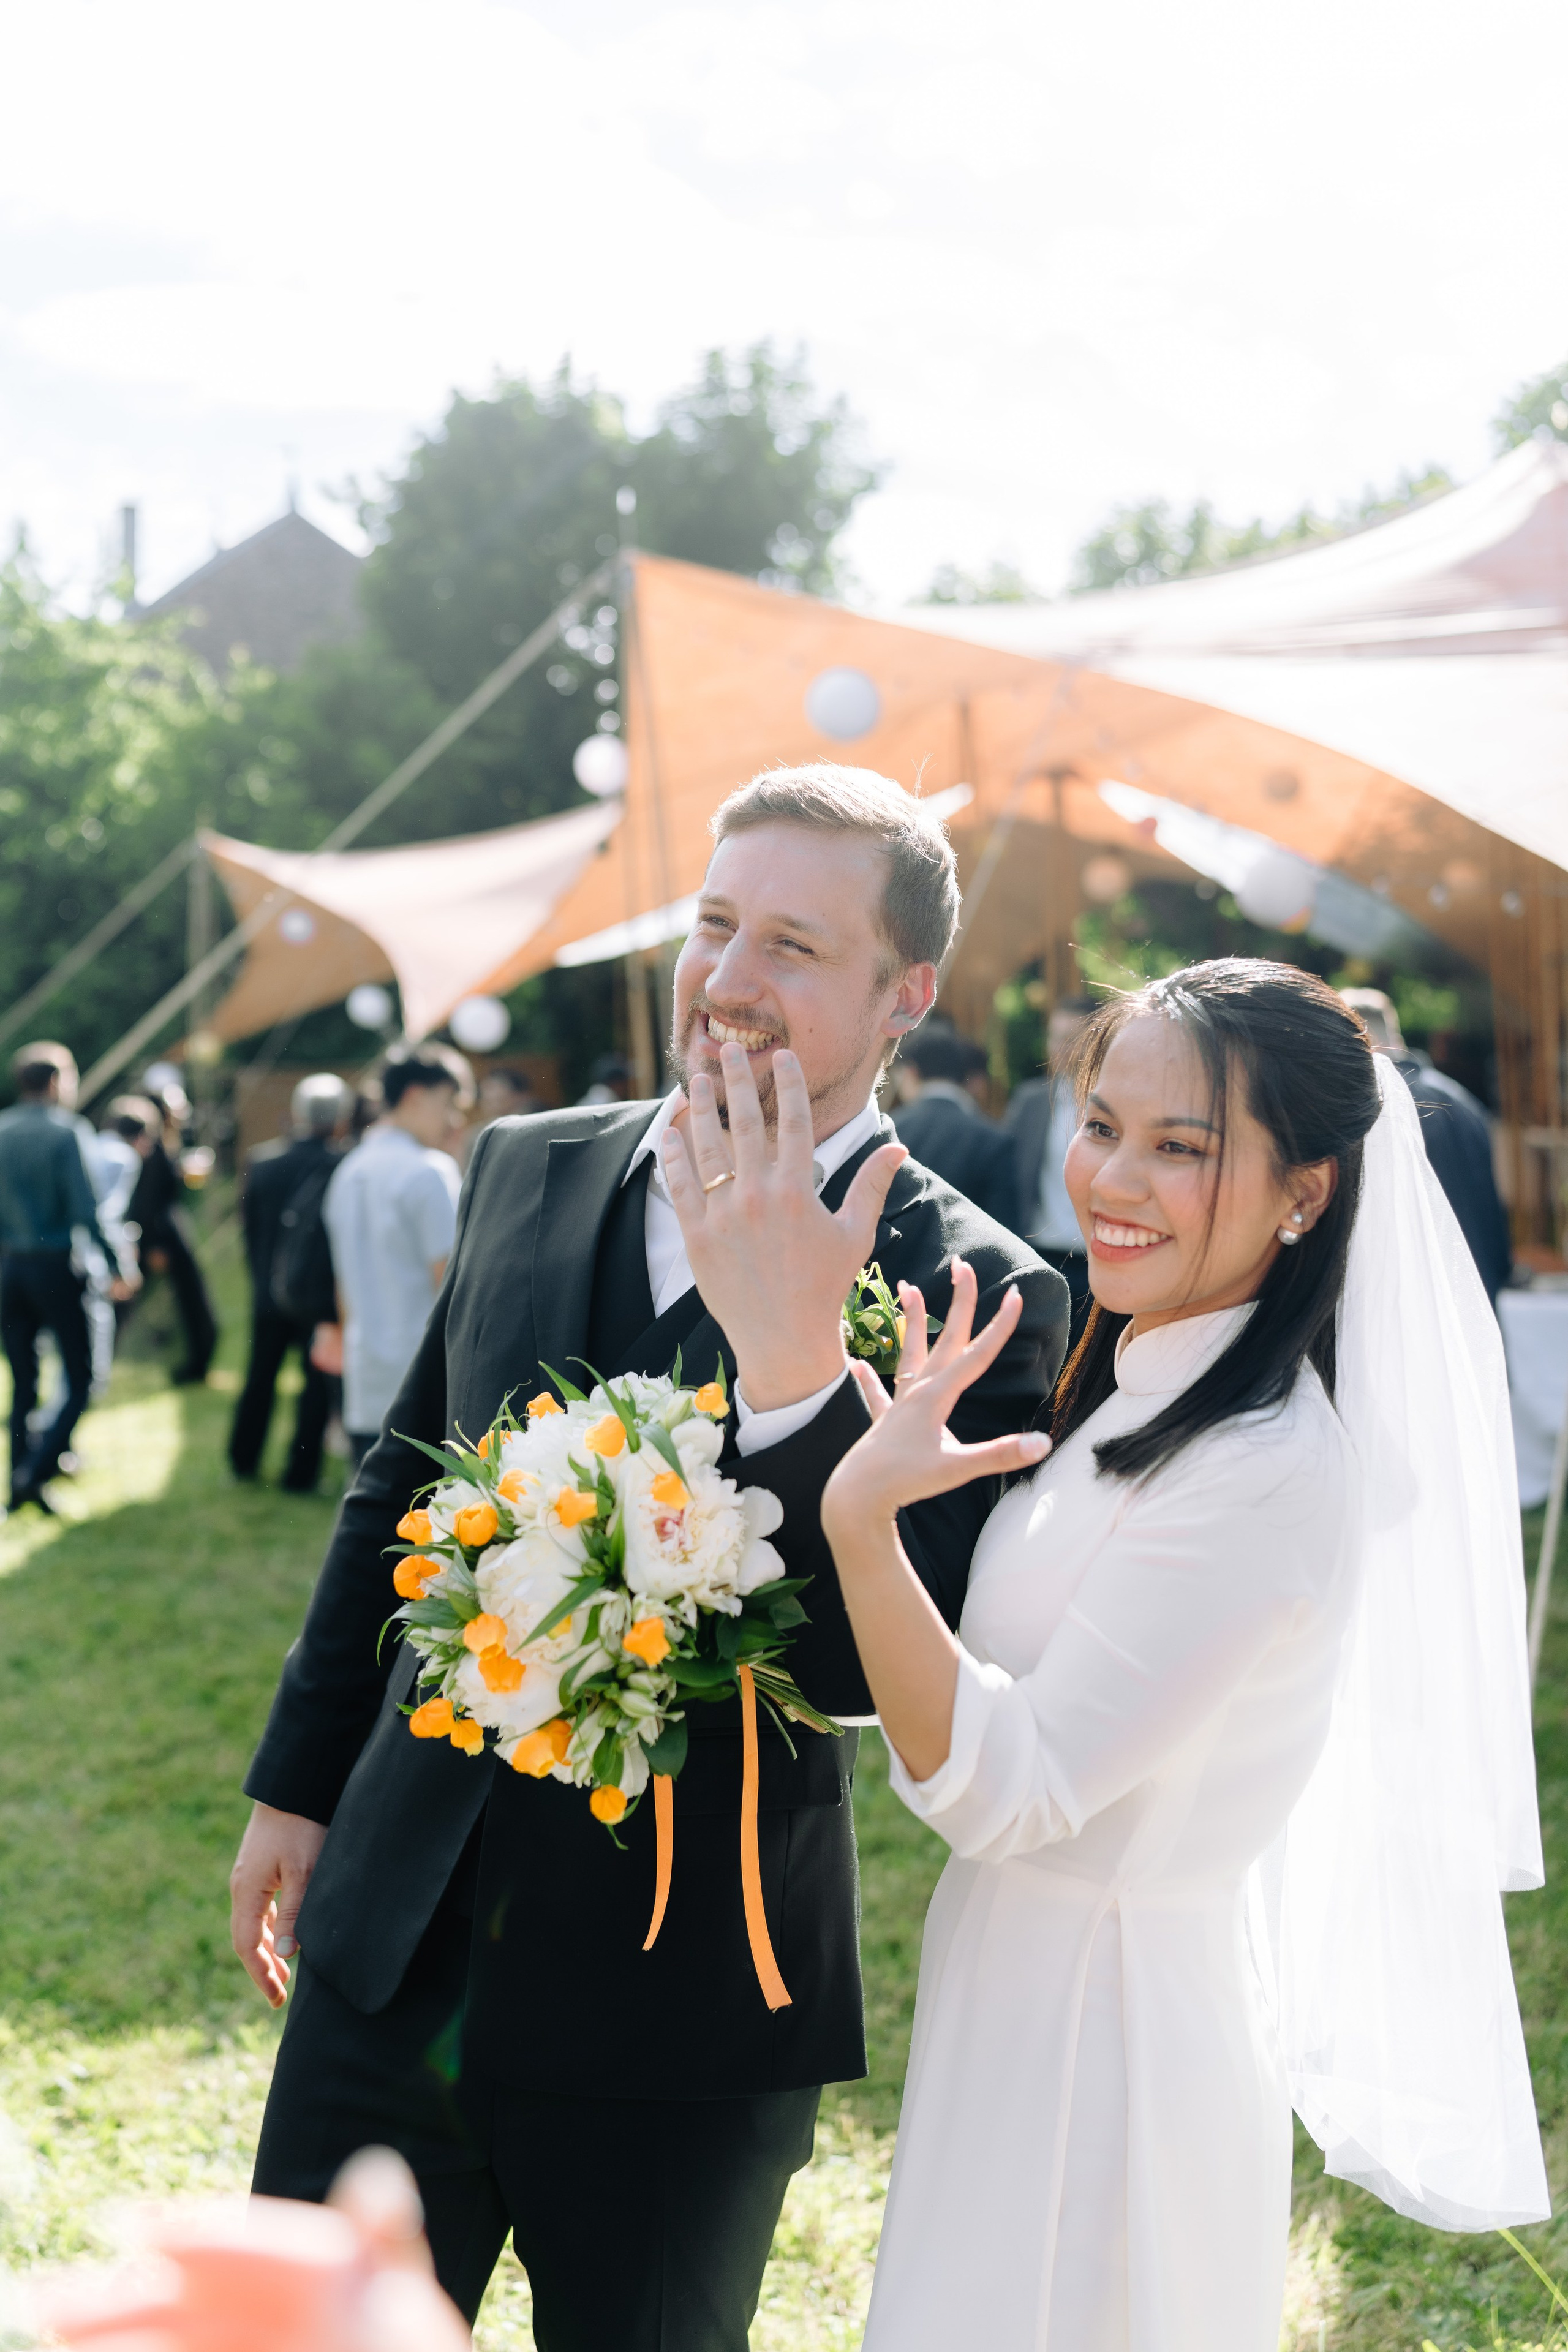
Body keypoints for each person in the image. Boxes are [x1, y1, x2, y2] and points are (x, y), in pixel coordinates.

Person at [230, 763, 1069, 2351]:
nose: (730, 982)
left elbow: (875, 1679)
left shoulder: (974, 1292)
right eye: (715, 926)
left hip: (682, 2002)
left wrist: (795, 1380)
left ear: (909, 994)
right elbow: (398, 1497)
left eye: (795, 949)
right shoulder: (533, 1163)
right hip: (398, 1932)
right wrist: (299, 1782)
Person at [665, 957, 1547, 2350]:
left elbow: (1010, 1782)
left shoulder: (1261, 1469)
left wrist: (859, 1514)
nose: (1109, 1179)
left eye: (1178, 1145)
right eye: (1099, 1125)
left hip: (1106, 2033)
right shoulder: (1143, 1376)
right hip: (1018, 1980)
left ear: (1301, 1188)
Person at [0, 1042, 140, 1513]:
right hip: (57, 1266)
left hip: (11, 1268)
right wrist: (119, 1265)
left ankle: (22, 1476)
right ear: (57, 1082)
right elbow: (88, 1209)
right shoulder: (67, 1132)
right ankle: (33, 1474)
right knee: (81, 1377)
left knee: (23, 1381)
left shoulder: (2, 1130)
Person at [317, 1045, 471, 1469]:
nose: (456, 1120)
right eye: (450, 1103)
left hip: (366, 1378)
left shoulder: (349, 1170)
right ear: (416, 1097)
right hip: (426, 1383)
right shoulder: (429, 1170)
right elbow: (453, 1287)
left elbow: (343, 1287)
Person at [1340, 986, 1512, 1302]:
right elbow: (1491, 1207)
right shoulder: (1463, 1101)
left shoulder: (1368, 1109)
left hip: (1415, 1293)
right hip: (1479, 1285)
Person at [229, 1074, 352, 1493]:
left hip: (267, 1289)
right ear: (340, 1118)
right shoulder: (343, 1165)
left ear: (298, 1113)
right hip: (318, 1295)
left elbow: (249, 1230)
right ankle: (300, 1473)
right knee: (314, 1383)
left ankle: (243, 1459)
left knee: (259, 1375)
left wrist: (261, 1276)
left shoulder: (261, 1162)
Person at [1005, 992, 1099, 1327]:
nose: (1058, 1048)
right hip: (1039, 1256)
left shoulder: (1114, 1107)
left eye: (1070, 1039)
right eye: (1054, 1037)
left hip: (1096, 1261)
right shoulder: (1031, 1101)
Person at [124, 1083, 219, 1384]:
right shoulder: (151, 1147)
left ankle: (194, 1363)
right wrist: (154, 1246)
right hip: (163, 1235)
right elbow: (147, 1200)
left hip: (169, 1230)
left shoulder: (163, 1144)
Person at [890, 1022, 1022, 1230]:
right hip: (967, 1260)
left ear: (911, 1072)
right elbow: (1006, 1226)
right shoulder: (993, 1139)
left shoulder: (890, 1130)